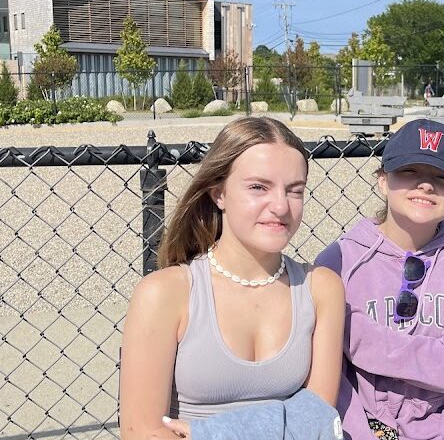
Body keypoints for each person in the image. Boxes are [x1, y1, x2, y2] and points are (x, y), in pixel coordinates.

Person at [119, 117, 345, 440]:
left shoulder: (321, 289)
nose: (281, 206)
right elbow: (142, 432)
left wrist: (211, 434)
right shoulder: (166, 294)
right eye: (258, 187)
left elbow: (319, 417)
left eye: (295, 191)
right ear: (218, 193)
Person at [316, 119, 444, 439]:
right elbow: (330, 371)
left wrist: (350, 330)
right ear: (383, 181)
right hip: (362, 417)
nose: (425, 185)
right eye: (409, 172)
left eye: (441, 178)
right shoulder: (340, 260)